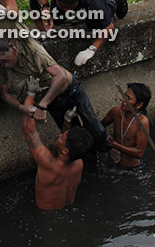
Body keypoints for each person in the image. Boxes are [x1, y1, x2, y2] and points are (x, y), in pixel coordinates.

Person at [0, 19, 111, 152]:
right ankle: (87, 164)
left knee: (93, 125)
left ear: (12, 48)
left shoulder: (32, 50)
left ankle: (108, 152)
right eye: (0, 63)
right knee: (72, 139)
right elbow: (5, 93)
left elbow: (60, 76)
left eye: (6, 60)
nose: (5, 65)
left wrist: (42, 105)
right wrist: (22, 107)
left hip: (69, 89)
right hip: (52, 99)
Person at [29, 0, 129, 66]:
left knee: (94, 24)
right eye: (63, 6)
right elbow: (34, 6)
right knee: (56, 19)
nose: (67, 11)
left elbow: (109, 27)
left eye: (71, 7)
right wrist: (41, 30)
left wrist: (92, 49)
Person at [22, 75, 94, 210]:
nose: (59, 136)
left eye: (62, 137)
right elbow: (68, 146)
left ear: (65, 150)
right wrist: (67, 121)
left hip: (46, 216)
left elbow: (29, 130)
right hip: (65, 209)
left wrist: (31, 94)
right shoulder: (79, 163)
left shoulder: (48, 164)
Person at [101, 82, 151, 168]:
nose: (123, 100)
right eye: (124, 96)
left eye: (128, 98)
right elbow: (99, 126)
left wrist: (114, 145)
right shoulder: (115, 112)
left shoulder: (142, 122)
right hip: (112, 165)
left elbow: (139, 153)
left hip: (131, 169)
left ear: (139, 105)